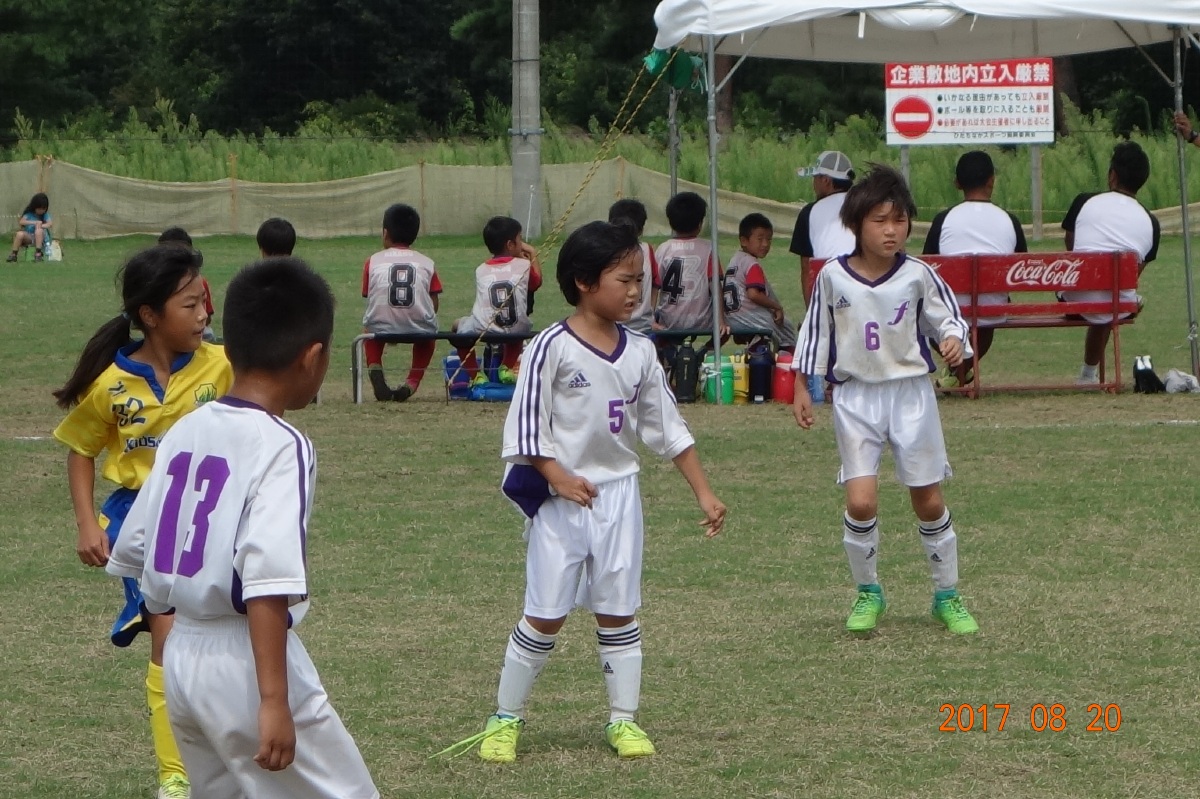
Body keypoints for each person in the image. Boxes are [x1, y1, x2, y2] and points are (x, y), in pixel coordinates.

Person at [441, 221, 726, 763]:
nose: (635, 291)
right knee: (545, 613)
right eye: (625, 279)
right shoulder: (550, 347)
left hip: (618, 498)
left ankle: (624, 720)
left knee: (618, 611)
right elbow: (527, 429)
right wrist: (558, 477)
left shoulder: (640, 351)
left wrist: (704, 493)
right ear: (584, 281)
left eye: (639, 280)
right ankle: (504, 718)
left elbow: (668, 428)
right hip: (561, 502)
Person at [106, 258, 379, 799]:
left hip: (180, 657)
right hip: (245, 664)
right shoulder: (282, 444)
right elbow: (266, 578)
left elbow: (136, 547)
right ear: (313, 358)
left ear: (228, 350)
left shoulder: (186, 429)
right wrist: (274, 700)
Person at [52, 244, 233, 799]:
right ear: (150, 315)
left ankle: (228, 753)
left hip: (211, 517)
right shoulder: (112, 382)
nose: (203, 314)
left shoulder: (223, 365)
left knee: (224, 637)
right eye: (189, 305)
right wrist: (88, 524)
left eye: (204, 302)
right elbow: (81, 450)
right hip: (142, 524)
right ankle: (175, 775)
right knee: (168, 640)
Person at [792, 164, 979, 637]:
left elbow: (949, 320)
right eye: (880, 221)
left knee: (928, 500)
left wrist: (953, 341)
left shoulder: (918, 275)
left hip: (911, 395)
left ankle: (947, 595)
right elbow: (816, 333)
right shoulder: (833, 277)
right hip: (855, 397)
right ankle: (868, 592)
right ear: (857, 224)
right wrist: (802, 386)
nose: (891, 230)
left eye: (899, 220)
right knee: (861, 502)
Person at [923, 151, 1028, 388]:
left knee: (928, 314)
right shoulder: (1009, 220)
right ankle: (960, 371)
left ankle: (957, 369)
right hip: (992, 310)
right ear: (992, 180)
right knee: (989, 308)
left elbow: (928, 266)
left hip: (950, 309)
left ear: (957, 183)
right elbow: (1021, 263)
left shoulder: (943, 219)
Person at [1060, 141, 1160, 385]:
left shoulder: (1084, 201)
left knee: (1104, 293)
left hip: (1074, 298)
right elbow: (1133, 274)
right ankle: (1088, 374)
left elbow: (1071, 246)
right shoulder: (1151, 222)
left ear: (1112, 175)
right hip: (1117, 302)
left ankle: (1088, 374)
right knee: (1113, 293)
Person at [362, 203, 442, 402]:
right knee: (428, 338)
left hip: (380, 326)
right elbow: (434, 301)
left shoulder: (373, 261)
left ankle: (375, 369)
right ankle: (412, 383)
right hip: (419, 328)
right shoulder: (426, 262)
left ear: (385, 233)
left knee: (369, 331)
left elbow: (369, 295)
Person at [452, 216, 542, 385]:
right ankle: (506, 367)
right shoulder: (524, 265)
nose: (522, 243)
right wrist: (532, 253)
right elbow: (536, 283)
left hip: (483, 329)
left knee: (457, 326)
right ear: (510, 245)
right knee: (518, 326)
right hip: (516, 330)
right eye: (520, 239)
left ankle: (476, 376)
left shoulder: (481, 270)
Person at [653, 191, 726, 335]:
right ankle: (707, 347)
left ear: (671, 223)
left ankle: (668, 349)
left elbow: (654, 285)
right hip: (701, 321)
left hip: (669, 320)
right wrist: (721, 321)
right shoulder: (708, 248)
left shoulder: (663, 249)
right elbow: (715, 286)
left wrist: (651, 319)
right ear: (700, 224)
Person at [790, 151, 857, 304]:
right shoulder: (867, 204)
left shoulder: (809, 212)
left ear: (826, 180)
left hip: (828, 287)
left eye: (815, 178)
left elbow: (807, 269)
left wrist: (810, 312)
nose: (813, 184)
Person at [724, 213, 797, 352]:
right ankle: (788, 359)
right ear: (744, 240)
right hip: (748, 317)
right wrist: (777, 307)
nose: (765, 244)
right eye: (760, 239)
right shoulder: (752, 264)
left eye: (769, 239)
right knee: (786, 328)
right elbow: (753, 294)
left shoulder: (735, 260)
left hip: (732, 317)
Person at [607, 198, 659, 333]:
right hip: (643, 326)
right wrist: (650, 313)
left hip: (615, 326)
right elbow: (656, 284)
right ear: (641, 230)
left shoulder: (606, 251)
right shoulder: (647, 249)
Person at [158, 228, 216, 343]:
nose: (203, 315)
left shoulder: (200, 283)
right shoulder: (156, 286)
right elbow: (207, 318)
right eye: (190, 305)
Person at [7, 192, 53, 262]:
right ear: (34, 207)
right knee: (19, 234)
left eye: (43, 209)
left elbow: (49, 224)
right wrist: (35, 222)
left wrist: (41, 225)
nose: (41, 211)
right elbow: (21, 222)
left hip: (41, 238)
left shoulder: (45, 215)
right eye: (39, 209)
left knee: (38, 230)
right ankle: (14, 254)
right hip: (30, 237)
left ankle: (38, 254)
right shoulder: (29, 214)